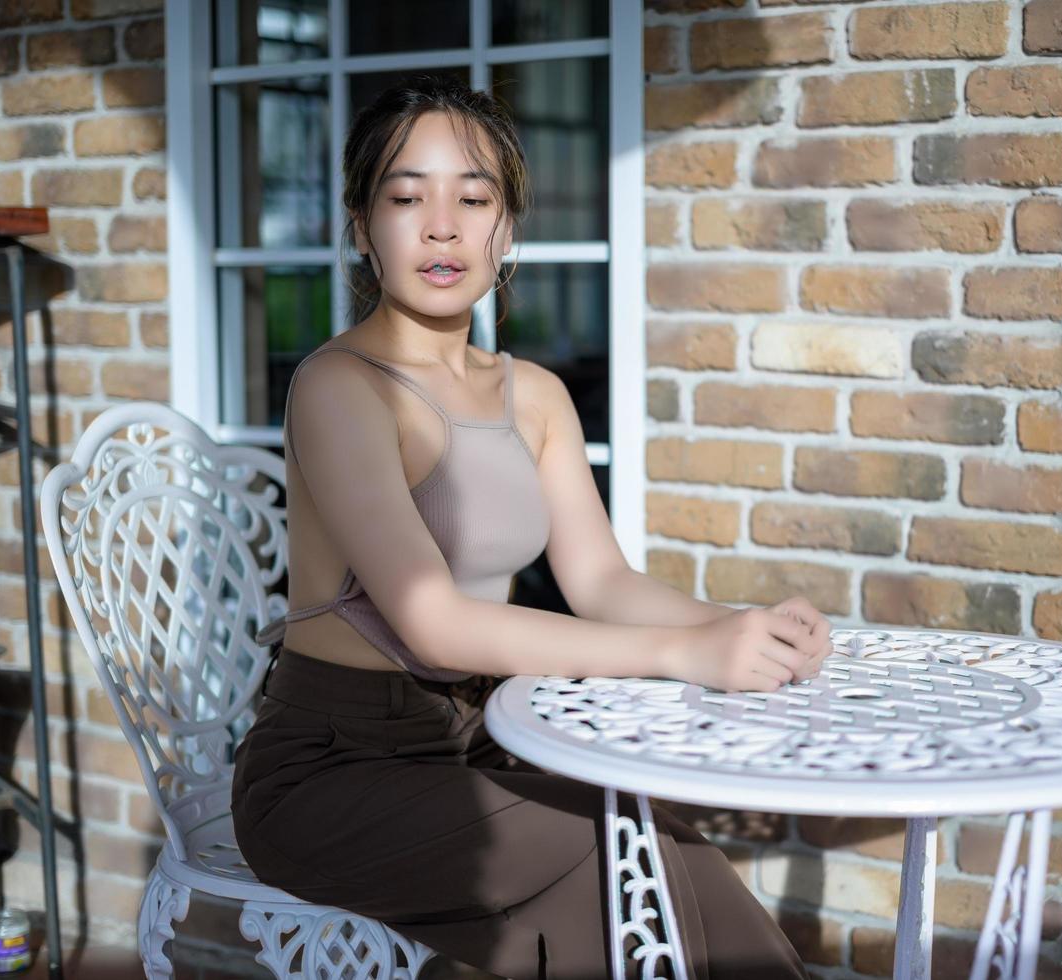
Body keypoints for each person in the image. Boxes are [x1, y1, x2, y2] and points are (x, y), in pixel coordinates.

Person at [230, 74, 829, 980]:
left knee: (658, 850)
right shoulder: (338, 387)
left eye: (473, 199)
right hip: (330, 768)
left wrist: (733, 631)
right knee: (618, 857)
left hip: (481, 737)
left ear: (504, 230)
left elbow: (601, 582)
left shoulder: (535, 396)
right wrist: (681, 657)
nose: (442, 227)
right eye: (405, 198)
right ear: (361, 226)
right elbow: (433, 620)